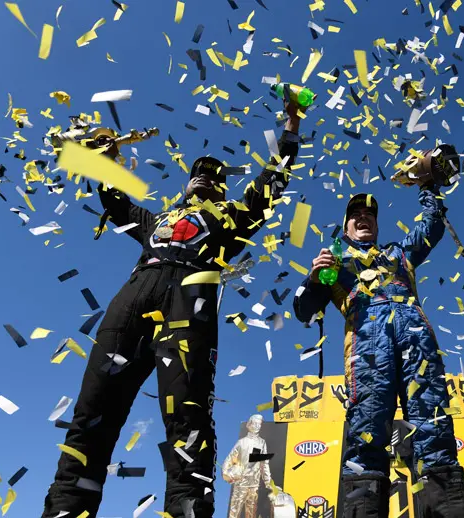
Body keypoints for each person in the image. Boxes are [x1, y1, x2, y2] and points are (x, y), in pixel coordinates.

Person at [41, 99, 303, 518]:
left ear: (222, 190)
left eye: (214, 177)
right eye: (198, 172)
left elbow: (272, 181)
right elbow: (115, 200)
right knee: (91, 413)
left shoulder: (233, 218)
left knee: (188, 423)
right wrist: (106, 159)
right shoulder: (155, 221)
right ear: (187, 183)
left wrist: (292, 124)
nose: (204, 178)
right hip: (133, 296)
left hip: (190, 298)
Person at [293, 178, 464, 517]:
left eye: (370, 215)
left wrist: (429, 185)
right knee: (367, 439)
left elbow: (432, 227)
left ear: (376, 224)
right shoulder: (335, 261)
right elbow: (304, 310)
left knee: (435, 429)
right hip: (368, 348)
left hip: (417, 342)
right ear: (346, 225)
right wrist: (314, 279)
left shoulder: (399, 254)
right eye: (356, 214)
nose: (364, 218)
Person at [222, 414, 279, 518]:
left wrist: (267, 482)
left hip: (254, 484)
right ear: (250, 424)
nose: (257, 426)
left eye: (259, 424)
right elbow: (229, 458)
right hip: (241, 483)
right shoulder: (241, 442)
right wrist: (226, 473)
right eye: (255, 423)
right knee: (235, 510)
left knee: (252, 510)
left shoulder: (262, 442)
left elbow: (264, 463)